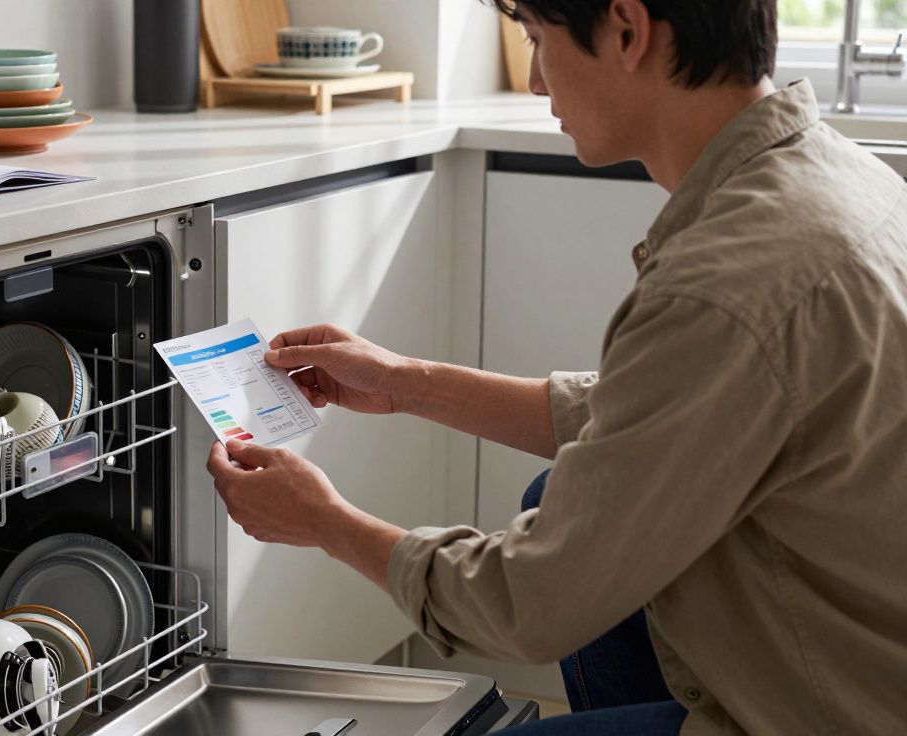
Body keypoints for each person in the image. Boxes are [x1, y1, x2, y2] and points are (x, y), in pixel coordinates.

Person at [205, 1, 907, 733]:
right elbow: (660, 417)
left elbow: (529, 601)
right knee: (560, 488)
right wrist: (403, 381)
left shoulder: (726, 283)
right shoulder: (835, 176)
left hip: (834, 712)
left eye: (540, 41)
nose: (537, 80)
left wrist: (327, 524)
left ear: (628, 32)